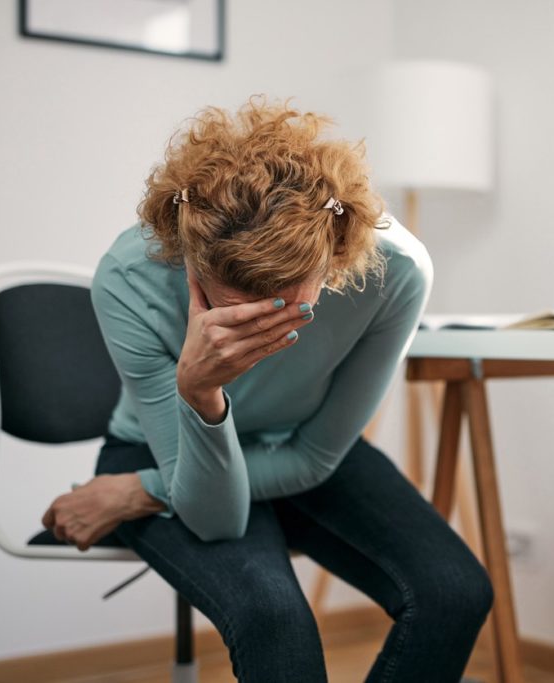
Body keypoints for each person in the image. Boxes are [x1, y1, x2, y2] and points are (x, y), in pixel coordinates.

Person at [40, 96, 494, 682]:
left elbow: (315, 456)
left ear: (333, 256)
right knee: (275, 622)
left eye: (287, 308)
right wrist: (201, 392)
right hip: (167, 445)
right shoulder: (130, 279)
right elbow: (216, 521)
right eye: (235, 310)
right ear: (192, 266)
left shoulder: (397, 270)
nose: (259, 325)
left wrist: (142, 493)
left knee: (454, 592)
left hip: (300, 448)